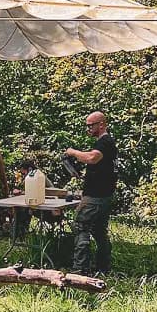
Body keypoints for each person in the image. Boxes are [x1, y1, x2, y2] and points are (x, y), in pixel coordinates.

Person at [64, 110, 117, 275]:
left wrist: (72, 152)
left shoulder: (105, 142)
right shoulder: (107, 143)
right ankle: (103, 267)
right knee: (99, 231)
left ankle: (80, 269)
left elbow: (91, 158)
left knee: (81, 227)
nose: (88, 129)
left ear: (101, 124)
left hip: (96, 197)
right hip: (104, 195)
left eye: (91, 125)